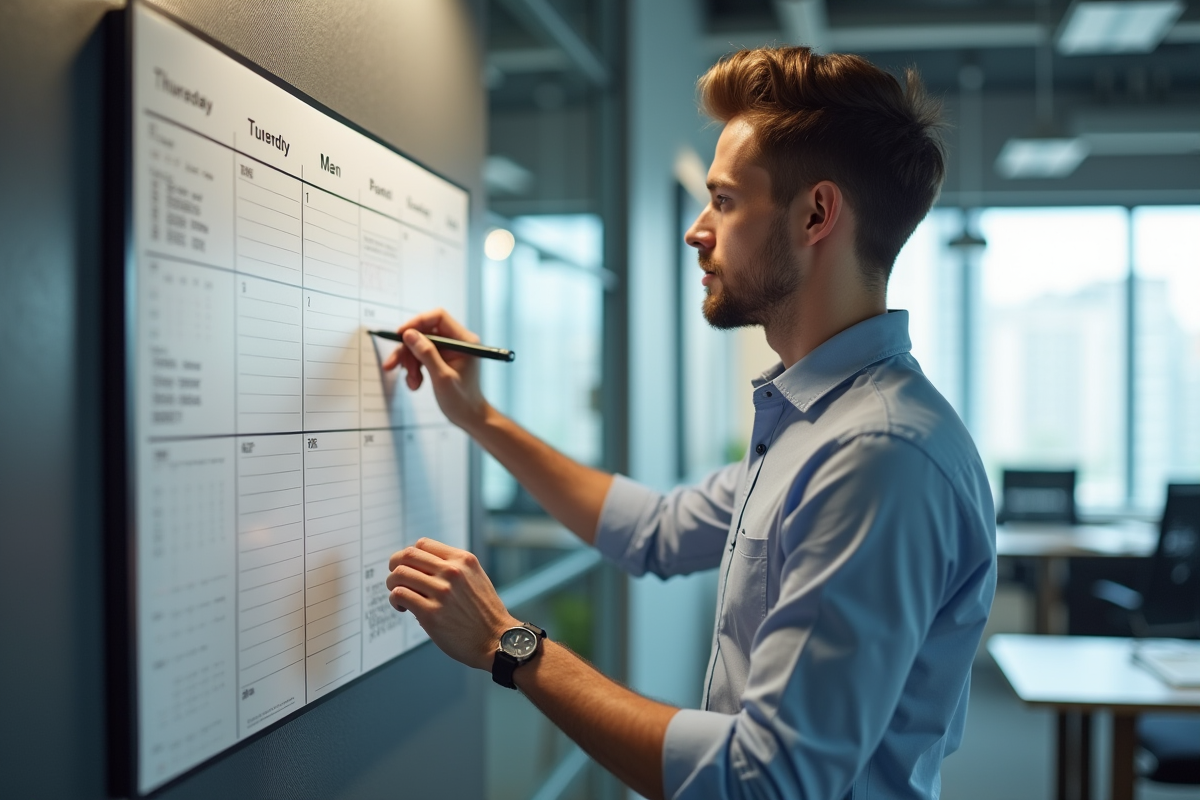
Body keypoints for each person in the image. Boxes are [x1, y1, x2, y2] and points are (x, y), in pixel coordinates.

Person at [382, 46, 996, 800]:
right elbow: (656, 531)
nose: (696, 230)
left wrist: (509, 645)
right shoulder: (814, 422)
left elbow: (767, 779)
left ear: (816, 213)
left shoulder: (876, 454)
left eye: (727, 201)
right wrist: (478, 418)